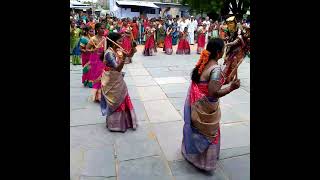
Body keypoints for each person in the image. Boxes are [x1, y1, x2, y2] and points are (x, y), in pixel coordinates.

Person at [181, 38, 240, 171]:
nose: (224, 53)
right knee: (209, 133)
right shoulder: (215, 69)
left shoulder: (202, 64)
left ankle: (192, 155)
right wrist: (232, 88)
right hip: (207, 108)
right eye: (223, 50)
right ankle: (205, 162)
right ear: (219, 53)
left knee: (197, 131)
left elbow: (209, 84)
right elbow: (213, 92)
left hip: (197, 106)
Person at [100, 32, 138, 132]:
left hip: (117, 78)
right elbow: (117, 68)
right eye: (119, 41)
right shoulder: (109, 53)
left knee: (123, 96)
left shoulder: (116, 50)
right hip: (112, 79)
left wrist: (133, 48)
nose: (121, 43)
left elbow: (129, 55)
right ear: (113, 42)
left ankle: (125, 122)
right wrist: (124, 58)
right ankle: (115, 124)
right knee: (116, 99)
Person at [86, 23, 106, 102]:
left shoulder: (105, 38)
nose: (103, 30)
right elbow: (87, 49)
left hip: (103, 59)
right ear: (97, 30)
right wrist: (93, 50)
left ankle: (101, 95)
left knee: (103, 76)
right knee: (97, 77)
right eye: (101, 28)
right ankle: (97, 96)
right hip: (95, 59)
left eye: (104, 28)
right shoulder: (93, 39)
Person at [223, 16, 246, 84]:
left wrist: (227, 44)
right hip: (231, 50)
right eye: (228, 23)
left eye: (231, 23)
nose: (229, 24)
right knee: (228, 63)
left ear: (234, 23)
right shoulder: (230, 29)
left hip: (238, 50)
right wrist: (225, 39)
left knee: (234, 65)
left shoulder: (239, 30)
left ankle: (231, 78)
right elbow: (230, 37)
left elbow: (236, 41)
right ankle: (225, 77)